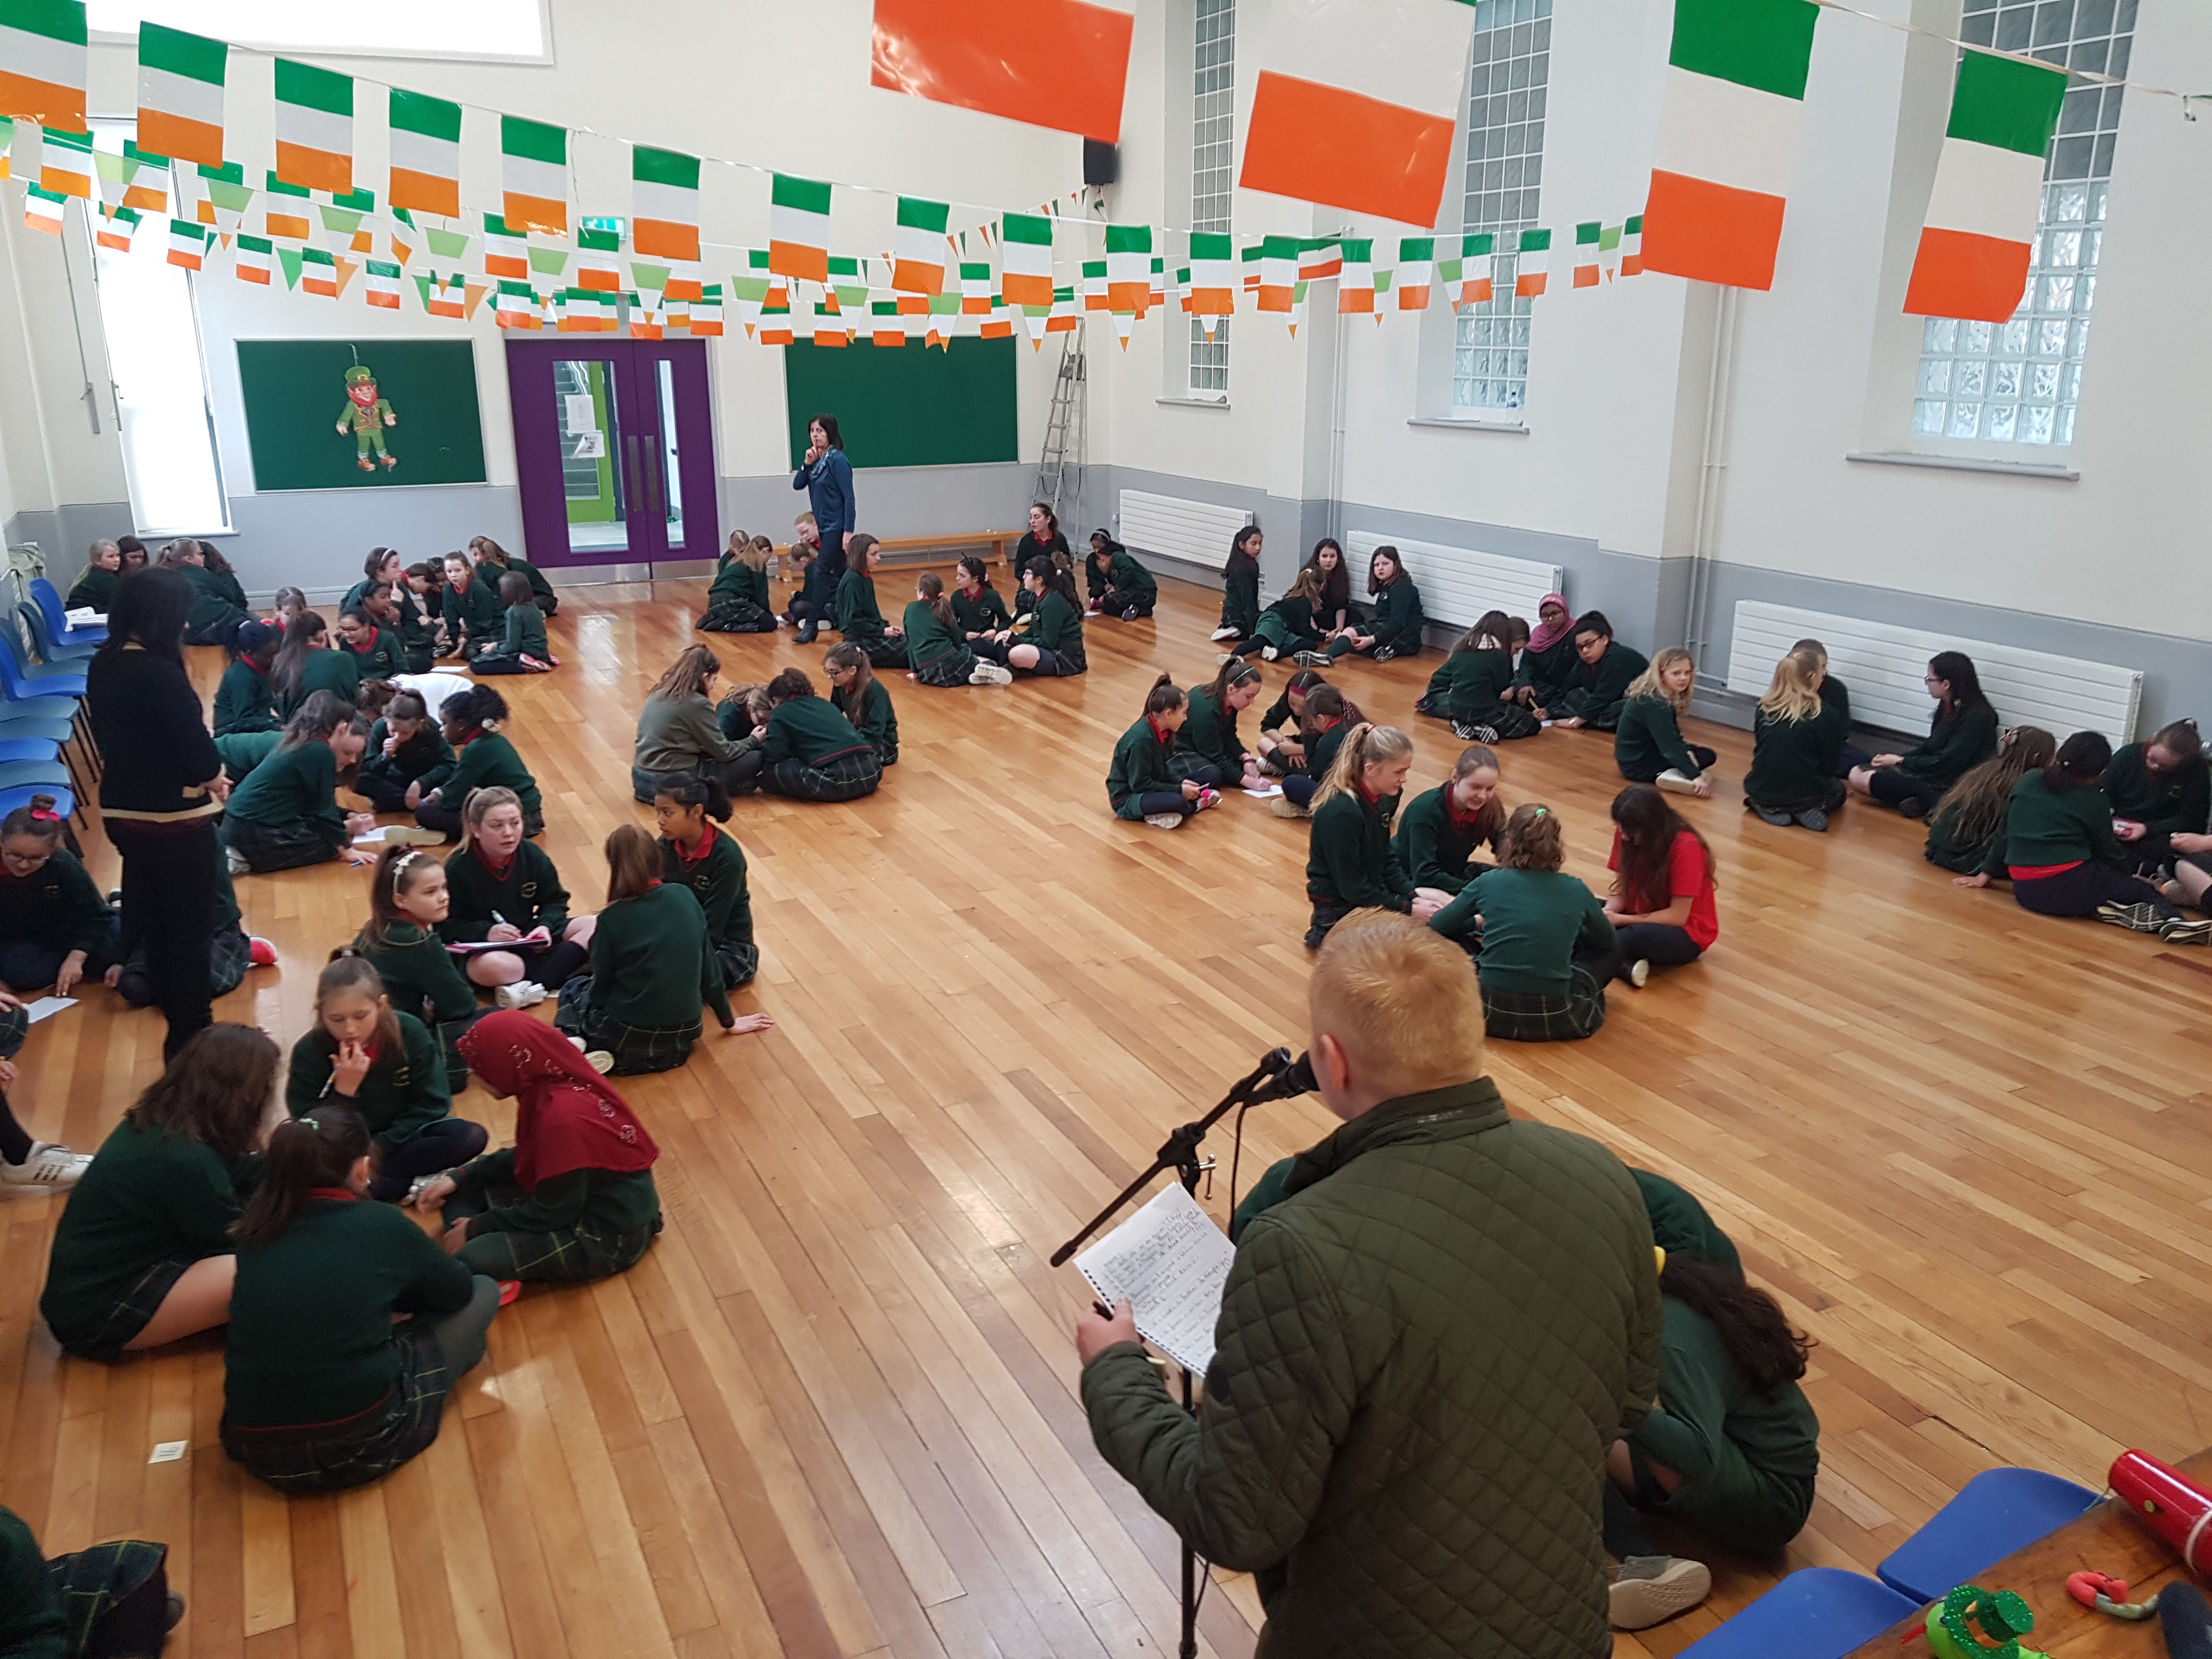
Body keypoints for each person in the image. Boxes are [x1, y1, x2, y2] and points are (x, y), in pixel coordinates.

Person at [1078, 910, 1662, 1659]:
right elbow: (1629, 1400)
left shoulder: (1301, 1246)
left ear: (1331, 1061)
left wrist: (1117, 1373)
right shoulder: (1602, 1177)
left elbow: (1236, 1521)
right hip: (1566, 1631)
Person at [219, 1106, 499, 1494]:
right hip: (360, 1443)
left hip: (255, 1448)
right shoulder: (381, 1224)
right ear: (363, 1169)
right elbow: (458, 1292)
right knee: (484, 1292)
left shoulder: (254, 1229)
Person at [1603, 1174, 1818, 1628]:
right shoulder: (1671, 1286)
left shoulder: (1671, 1333)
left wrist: (1615, 1395)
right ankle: (1648, 1559)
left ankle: (1647, 1560)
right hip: (1739, 1467)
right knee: (1567, 1426)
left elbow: (1697, 1455)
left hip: (1770, 1504)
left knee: (1579, 1421)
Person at [40, 1024, 276, 1361]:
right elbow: (231, 1236)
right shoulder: (185, 1158)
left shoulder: (164, 1121)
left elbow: (238, 1169)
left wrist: (291, 1163)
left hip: (83, 1295)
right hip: (95, 1315)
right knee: (268, 1269)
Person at [87, 567, 227, 1059]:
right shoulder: (160, 672)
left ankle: (172, 1015)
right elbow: (199, 751)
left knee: (156, 926)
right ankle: (192, 1042)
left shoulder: (103, 663)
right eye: (180, 616)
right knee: (189, 937)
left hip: (121, 814)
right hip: (173, 822)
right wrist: (214, 777)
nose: (185, 625)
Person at [413, 1012, 665, 1283]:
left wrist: (476, 1228)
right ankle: (472, 1233)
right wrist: (459, 1176)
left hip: (608, 1234)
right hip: (577, 1197)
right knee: (458, 1193)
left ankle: (476, 1244)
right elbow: (534, 1157)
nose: (475, 1075)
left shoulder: (563, 1118)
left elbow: (552, 1212)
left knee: (474, 1256)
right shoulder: (549, 1087)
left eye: (481, 1067)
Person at [1955, 730, 2211, 943]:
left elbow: (2005, 832)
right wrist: (2127, 876)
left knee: (2098, 882)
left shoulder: (2029, 780)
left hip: (2025, 891)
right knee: (2142, 889)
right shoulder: (2093, 801)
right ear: (2099, 773)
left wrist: (1985, 874)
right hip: (2068, 887)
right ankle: (2174, 921)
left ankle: (2103, 906)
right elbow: (2107, 851)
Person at [285, 956, 488, 1202]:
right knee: (299, 1164)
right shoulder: (308, 1051)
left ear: (381, 1006)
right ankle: (404, 1187)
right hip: (341, 1150)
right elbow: (307, 1126)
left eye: (361, 1016)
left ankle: (366, 1187)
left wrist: (377, 1147)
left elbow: (433, 1104)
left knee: (470, 1136)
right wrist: (343, 1093)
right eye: (336, 1019)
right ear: (320, 1012)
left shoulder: (409, 1032)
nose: (350, 1029)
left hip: (396, 1141)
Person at [556, 824, 754, 1074]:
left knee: (574, 988)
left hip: (628, 1028)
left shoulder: (612, 918)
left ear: (615, 865)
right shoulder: (686, 896)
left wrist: (590, 1014)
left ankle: (575, 1040)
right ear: (657, 858)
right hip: (685, 1032)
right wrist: (729, 1021)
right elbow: (710, 971)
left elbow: (602, 984)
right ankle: (612, 1055)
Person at [1433, 802, 1622, 1040]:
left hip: (1486, 1010)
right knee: (1616, 951)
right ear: (1556, 844)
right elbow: (1607, 941)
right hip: (1555, 1014)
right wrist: (1569, 932)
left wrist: (1476, 924)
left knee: (1453, 940)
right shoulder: (1576, 889)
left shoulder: (1488, 881)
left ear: (1509, 841)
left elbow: (1438, 925)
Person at [441, 786, 595, 1007]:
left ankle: (531, 987)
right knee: (493, 967)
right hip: (487, 949)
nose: (508, 833)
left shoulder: (531, 853)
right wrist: (487, 932)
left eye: (515, 823)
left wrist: (544, 926)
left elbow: (555, 900)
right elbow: (445, 927)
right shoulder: (458, 868)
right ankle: (560, 971)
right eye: (497, 826)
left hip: (527, 937)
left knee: (595, 924)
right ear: (476, 830)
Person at [1303, 723, 1452, 947]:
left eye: (1406, 771)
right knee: (1425, 942)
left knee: (1440, 902)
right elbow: (1352, 889)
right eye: (1399, 772)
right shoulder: (1341, 813)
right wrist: (1408, 909)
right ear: (1371, 769)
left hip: (1370, 896)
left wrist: (1412, 897)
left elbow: (1387, 861)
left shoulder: (1380, 799)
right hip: (1340, 910)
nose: (1404, 779)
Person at [352, 847, 488, 1091]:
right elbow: (461, 1004)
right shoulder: (418, 941)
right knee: (498, 1021)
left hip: (363, 1039)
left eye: (444, 888)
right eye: (431, 892)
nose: (444, 897)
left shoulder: (374, 928)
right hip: (397, 1045)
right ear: (400, 900)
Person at [110, 833, 266, 1015]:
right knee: (134, 987)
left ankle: (244, 950)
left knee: (192, 988)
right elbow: (133, 909)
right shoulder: (138, 840)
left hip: (208, 932)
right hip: (160, 935)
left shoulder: (203, 839)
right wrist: (122, 959)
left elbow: (224, 909)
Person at [0, 1505, 178, 1659]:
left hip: (33, 1621)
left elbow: (38, 1639)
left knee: (131, 1570)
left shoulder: (8, 1538)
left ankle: (127, 1621)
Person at [221, 694, 374, 873]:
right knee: (326, 845)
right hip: (252, 829)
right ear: (342, 728)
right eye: (347, 753)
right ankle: (240, 859)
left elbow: (314, 803)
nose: (353, 761)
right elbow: (324, 809)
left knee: (323, 833)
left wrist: (347, 815)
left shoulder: (303, 742)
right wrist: (346, 848)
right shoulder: (320, 751)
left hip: (238, 823)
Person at [654, 771, 769, 994]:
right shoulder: (665, 846)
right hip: (680, 936)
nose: (660, 821)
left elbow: (713, 928)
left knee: (666, 978)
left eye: (668, 813)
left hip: (727, 948)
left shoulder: (728, 857)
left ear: (696, 811)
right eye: (658, 812)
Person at [1847, 651, 1999, 818]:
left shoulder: (1979, 716)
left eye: (1930, 680)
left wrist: (1901, 761)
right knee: (1858, 771)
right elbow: (1930, 747)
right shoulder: (1948, 706)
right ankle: (1922, 802)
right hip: (1934, 773)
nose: (1927, 684)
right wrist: (1898, 759)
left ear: (1946, 684)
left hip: (1953, 781)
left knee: (1863, 777)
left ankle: (1935, 800)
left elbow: (1948, 762)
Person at [1605, 785, 1720, 988]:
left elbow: (1677, 917)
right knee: (1579, 909)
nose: (1622, 835)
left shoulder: (1687, 847)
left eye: (1628, 830)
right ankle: (1624, 968)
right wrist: (1606, 912)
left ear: (1649, 828)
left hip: (1684, 933)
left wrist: (1619, 919)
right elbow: (1623, 891)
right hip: (1638, 913)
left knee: (1631, 936)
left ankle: (1606, 961)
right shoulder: (1627, 834)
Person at [0, 795, 117, 993]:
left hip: (65, 930)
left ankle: (117, 906)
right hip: (16, 939)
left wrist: (77, 956)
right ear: (1, 840)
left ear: (52, 851)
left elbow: (96, 914)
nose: (24, 865)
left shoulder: (62, 863)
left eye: (37, 858)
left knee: (119, 941)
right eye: (15, 855)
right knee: (22, 974)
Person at [1743, 647, 1851, 831]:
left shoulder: (1765, 708)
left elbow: (1762, 747)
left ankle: (1769, 806)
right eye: (1821, 673)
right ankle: (1802, 807)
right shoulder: (1827, 714)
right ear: (1811, 677)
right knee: (1839, 791)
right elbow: (1830, 767)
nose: (1823, 678)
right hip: (1807, 792)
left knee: (1772, 782)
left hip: (1762, 788)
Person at [1923, 726, 2058, 874]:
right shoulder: (2023, 785)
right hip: (1966, 858)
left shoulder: (1986, 770)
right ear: (2037, 758)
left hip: (1937, 849)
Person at [417, 686, 543, 840]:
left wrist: (436, 801)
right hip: (530, 812)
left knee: (425, 814)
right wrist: (440, 792)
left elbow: (454, 797)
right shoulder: (493, 739)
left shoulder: (475, 749)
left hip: (518, 819)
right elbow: (462, 781)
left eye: (445, 723)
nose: (441, 730)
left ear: (461, 725)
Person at [633, 644, 751, 803]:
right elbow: (724, 753)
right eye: (714, 680)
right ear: (705, 677)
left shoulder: (658, 693)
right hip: (673, 786)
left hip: (641, 780)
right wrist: (753, 740)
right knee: (755, 758)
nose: (713, 686)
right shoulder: (697, 704)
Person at [1108, 676, 1226, 830]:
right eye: (1184, 713)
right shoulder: (1141, 741)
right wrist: (1178, 790)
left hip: (1149, 785)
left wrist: (1181, 782)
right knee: (1178, 801)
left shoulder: (1164, 731)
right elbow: (1139, 785)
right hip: (1128, 798)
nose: (1186, 718)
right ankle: (1194, 806)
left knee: (1210, 775)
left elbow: (1163, 768)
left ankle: (1168, 809)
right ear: (1169, 714)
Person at [1393, 744, 1505, 895]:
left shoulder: (1490, 807)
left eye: (1490, 788)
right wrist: (1474, 892)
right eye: (1476, 787)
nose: (1483, 796)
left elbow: (1506, 847)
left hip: (1452, 874)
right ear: (1455, 777)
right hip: (1409, 879)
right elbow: (1424, 875)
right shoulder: (1425, 812)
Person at [760, 667, 883, 801]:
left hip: (835, 781)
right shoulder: (825, 704)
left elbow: (775, 754)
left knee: (773, 770)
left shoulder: (780, 713)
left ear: (775, 700)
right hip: (872, 772)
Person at [2105, 719, 2208, 875]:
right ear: (2153, 740)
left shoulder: (2196, 770)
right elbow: (2102, 794)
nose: (2155, 767)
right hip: (2121, 827)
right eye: (2152, 759)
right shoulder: (2127, 756)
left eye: (2165, 767)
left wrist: (2148, 829)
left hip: (2162, 834)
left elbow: (2193, 819)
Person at [1420, 611, 1541, 741]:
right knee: (1530, 723)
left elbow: (1440, 678)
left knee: (1439, 705)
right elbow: (1501, 687)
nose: (1517, 653)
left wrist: (1433, 695)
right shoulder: (1499, 656)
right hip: (1482, 709)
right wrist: (1504, 693)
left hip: (1454, 706)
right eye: (1517, 649)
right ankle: (1478, 725)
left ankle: (1463, 723)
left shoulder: (1463, 649)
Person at [1614, 648, 1716, 797]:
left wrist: (1685, 750)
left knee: (1702, 754)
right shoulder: (1656, 705)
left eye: (1687, 673)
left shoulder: (1653, 696)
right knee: (1705, 757)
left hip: (1638, 756)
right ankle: (1670, 775)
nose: (1683, 678)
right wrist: (1696, 776)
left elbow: (1671, 736)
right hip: (1637, 766)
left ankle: (1675, 771)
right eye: (1676, 674)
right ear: (1661, 675)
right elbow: (1670, 747)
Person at [792, 417, 856, 630]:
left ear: (830, 433)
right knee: (843, 573)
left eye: (820, 431)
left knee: (820, 570)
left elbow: (849, 497)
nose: (815, 435)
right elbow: (798, 484)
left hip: (836, 526)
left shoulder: (837, 460)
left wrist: (848, 530)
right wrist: (806, 464)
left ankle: (811, 625)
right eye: (812, 431)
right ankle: (854, 614)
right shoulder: (816, 463)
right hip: (824, 525)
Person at [354, 687, 456, 816]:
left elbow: (450, 764)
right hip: (398, 779)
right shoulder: (379, 728)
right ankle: (419, 804)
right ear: (386, 719)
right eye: (393, 731)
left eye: (405, 733)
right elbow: (370, 769)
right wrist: (385, 756)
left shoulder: (430, 729)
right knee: (360, 780)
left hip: (427, 778)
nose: (398, 737)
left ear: (419, 725)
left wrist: (421, 782)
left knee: (455, 781)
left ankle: (407, 803)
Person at [904, 571, 1012, 687]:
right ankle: (986, 666)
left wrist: (914, 671)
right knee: (968, 653)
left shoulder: (911, 609)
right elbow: (956, 638)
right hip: (952, 662)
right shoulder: (944, 609)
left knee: (954, 673)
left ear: (921, 592)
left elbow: (910, 642)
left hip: (928, 673)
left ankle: (976, 674)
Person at [1548, 612, 1650, 731]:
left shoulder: (1619, 657)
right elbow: (1567, 688)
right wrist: (1546, 710)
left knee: (1627, 708)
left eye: (1590, 644)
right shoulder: (1584, 662)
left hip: (1631, 702)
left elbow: (1604, 696)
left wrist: (1576, 721)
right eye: (1580, 647)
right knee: (1574, 695)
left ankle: (1590, 720)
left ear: (1605, 639)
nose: (1585, 651)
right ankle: (1594, 721)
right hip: (1604, 706)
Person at [1176, 658, 1266, 792]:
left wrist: (1246, 758)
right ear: (1231, 689)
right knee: (1213, 774)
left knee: (1238, 766)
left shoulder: (1230, 702)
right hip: (1177, 751)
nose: (1251, 701)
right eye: (1249, 696)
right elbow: (1213, 754)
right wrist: (1246, 781)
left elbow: (1228, 734)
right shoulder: (1207, 711)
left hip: (1200, 746)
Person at [1323, 544, 1424, 663]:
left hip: (1404, 637)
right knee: (1350, 636)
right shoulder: (1387, 586)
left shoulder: (1402, 587)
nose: (1380, 568)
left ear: (1396, 565)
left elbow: (1397, 623)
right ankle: (1327, 656)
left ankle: (1325, 657)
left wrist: (1372, 639)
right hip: (1387, 628)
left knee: (1350, 634)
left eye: (1385, 564)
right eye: (1376, 565)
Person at [1274, 683, 1363, 817]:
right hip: (1378, 801)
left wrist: (1308, 737)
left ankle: (1316, 812)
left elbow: (1318, 776)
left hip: (1350, 802)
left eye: (1311, 721)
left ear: (1321, 719)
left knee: (1291, 783)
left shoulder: (1328, 740)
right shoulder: (1356, 724)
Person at [830, 533, 907, 669]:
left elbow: (871, 614)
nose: (878, 558)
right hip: (859, 640)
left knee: (912, 642)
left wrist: (885, 627)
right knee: (911, 652)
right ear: (860, 556)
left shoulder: (864, 577)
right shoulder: (853, 581)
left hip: (870, 634)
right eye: (873, 554)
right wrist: (882, 632)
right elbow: (853, 621)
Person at [1005, 556, 1088, 678]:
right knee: (1002, 639)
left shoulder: (1052, 601)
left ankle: (1010, 669)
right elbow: (1034, 629)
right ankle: (1005, 668)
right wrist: (1015, 638)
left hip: (1064, 657)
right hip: (1051, 649)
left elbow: (1048, 643)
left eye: (1028, 574)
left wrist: (1017, 641)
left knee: (1017, 654)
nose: (1023, 577)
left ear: (1039, 579)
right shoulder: (1041, 596)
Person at [269, 611, 360, 719]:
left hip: (295, 727)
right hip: (338, 725)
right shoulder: (342, 658)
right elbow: (354, 697)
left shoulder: (278, 663)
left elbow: (276, 703)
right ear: (322, 634)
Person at [161, 538, 248, 645]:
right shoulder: (202, 573)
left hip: (184, 634)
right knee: (257, 630)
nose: (203, 557)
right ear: (189, 559)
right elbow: (228, 595)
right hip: (217, 624)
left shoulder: (166, 575)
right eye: (200, 554)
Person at [1231, 566, 1325, 663]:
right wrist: (1323, 636)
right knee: (1259, 641)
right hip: (1273, 620)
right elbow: (1304, 631)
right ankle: (1235, 655)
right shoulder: (1305, 602)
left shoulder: (1294, 595)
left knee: (1310, 645)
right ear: (1321, 586)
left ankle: (1275, 653)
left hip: (1283, 628)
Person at [469, 572, 554, 675]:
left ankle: (527, 665)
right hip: (541, 651)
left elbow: (512, 646)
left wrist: (495, 649)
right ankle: (541, 660)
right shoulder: (533, 606)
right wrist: (496, 644)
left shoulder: (513, 612)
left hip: (526, 652)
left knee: (475, 665)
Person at [1513, 593, 1581, 713]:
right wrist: (1525, 683)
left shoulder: (1576, 633)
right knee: (1514, 690)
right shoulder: (1537, 636)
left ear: (1565, 612)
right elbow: (1527, 664)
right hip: (1540, 684)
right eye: (1545, 616)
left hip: (1565, 686)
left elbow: (1577, 671)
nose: (1550, 619)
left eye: (1555, 613)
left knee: (1574, 699)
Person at [699, 529, 778, 633]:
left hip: (713, 603)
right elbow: (761, 596)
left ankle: (719, 619)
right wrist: (769, 616)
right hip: (732, 602)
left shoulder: (734, 560)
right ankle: (725, 625)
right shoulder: (757, 564)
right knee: (770, 624)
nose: (768, 561)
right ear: (765, 550)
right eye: (769, 557)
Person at [1255, 668, 1325, 778]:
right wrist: (1286, 742)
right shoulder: (1291, 697)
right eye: (1292, 704)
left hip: (1325, 754)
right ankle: (1291, 769)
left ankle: (1289, 769)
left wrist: (1295, 749)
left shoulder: (1328, 709)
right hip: (1306, 743)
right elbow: (1268, 725)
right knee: (1264, 743)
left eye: (1302, 707)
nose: (1296, 710)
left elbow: (1331, 747)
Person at [469, 534, 558, 616]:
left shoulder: (493, 569)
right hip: (537, 598)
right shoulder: (503, 564)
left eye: (475, 555)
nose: (474, 560)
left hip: (541, 599)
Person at [1009, 503, 1071, 619]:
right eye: (1031, 517)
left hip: (1055, 584)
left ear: (1048, 519)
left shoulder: (1060, 539)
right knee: (1025, 601)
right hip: (1033, 585)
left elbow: (1066, 566)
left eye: (1037, 517)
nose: (1032, 521)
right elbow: (1019, 571)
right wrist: (1035, 582)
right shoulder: (1026, 542)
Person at [439, 550, 504, 658]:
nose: (453, 575)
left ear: (467, 570)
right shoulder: (448, 590)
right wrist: (455, 642)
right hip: (473, 632)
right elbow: (451, 619)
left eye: (458, 570)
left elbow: (486, 622)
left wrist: (466, 637)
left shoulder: (480, 589)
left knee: (471, 653)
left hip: (492, 631)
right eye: (449, 571)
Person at [1085, 531, 1158, 620]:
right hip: (1132, 591)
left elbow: (1129, 569)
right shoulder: (1104, 561)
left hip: (1144, 592)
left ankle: (1138, 608)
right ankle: (1139, 609)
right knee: (1106, 604)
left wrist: (1117, 588)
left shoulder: (1117, 556)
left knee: (1109, 600)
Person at [335, 600, 405, 681]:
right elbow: (347, 672)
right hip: (361, 685)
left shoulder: (387, 638)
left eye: (352, 629)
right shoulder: (344, 642)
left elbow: (403, 670)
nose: (347, 634)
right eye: (343, 629)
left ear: (366, 626)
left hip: (388, 684)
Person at [1213, 523, 1262, 642]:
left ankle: (1236, 628)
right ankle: (1234, 628)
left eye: (1260, 543)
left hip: (1237, 611)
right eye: (1254, 544)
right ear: (1242, 545)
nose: (1258, 547)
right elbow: (1247, 599)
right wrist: (1252, 630)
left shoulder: (1249, 564)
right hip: (1236, 614)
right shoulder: (1241, 569)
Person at [950, 554, 1013, 642]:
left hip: (987, 642)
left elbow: (1006, 620)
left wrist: (996, 631)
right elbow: (951, 625)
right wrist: (964, 634)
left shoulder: (992, 596)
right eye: (958, 574)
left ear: (975, 579)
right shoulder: (956, 597)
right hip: (965, 642)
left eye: (962, 576)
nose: (957, 578)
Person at [64, 537, 121, 613]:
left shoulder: (93, 574)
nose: (117, 560)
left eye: (118, 555)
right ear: (97, 561)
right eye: (111, 556)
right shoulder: (103, 578)